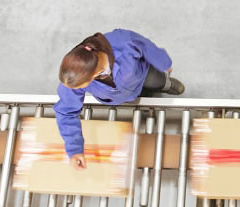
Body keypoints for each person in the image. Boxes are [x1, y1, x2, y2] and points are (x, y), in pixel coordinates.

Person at [54, 29, 184, 170]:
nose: (73, 89)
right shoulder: (74, 78)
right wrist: (74, 150)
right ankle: (146, 101)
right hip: (115, 95)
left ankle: (167, 84)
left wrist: (164, 62)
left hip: (140, 77)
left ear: (94, 74)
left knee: (156, 81)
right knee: (140, 99)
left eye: (81, 86)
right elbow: (66, 112)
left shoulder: (122, 42)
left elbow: (144, 45)